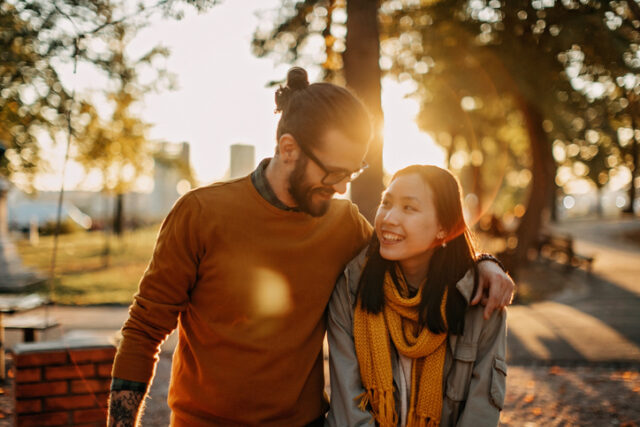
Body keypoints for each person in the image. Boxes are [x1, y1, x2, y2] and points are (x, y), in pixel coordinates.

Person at [107, 68, 513, 427]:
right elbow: (143, 331)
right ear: (288, 149)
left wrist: (484, 262)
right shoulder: (199, 213)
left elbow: (412, 247)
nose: (340, 187)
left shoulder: (344, 225)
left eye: (352, 173)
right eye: (333, 172)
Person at [326, 165, 508, 427]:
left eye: (408, 208)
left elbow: (481, 411)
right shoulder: (351, 286)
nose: (388, 217)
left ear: (443, 228)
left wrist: (486, 262)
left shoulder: (480, 298)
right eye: (386, 203)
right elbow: (348, 408)